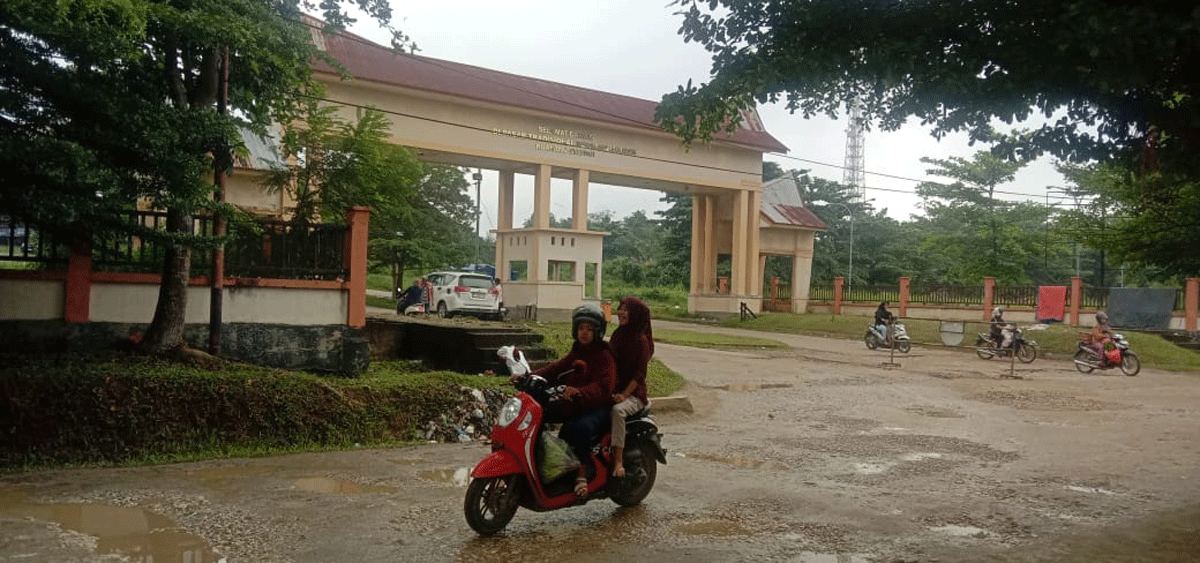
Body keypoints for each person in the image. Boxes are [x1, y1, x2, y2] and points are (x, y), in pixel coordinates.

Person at [513, 302, 616, 497]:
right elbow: (555, 368)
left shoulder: (604, 355)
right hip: (575, 404)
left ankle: (581, 474)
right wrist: (527, 377)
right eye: (581, 328)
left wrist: (579, 391)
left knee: (578, 428)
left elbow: (604, 387)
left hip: (597, 408)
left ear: (598, 331)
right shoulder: (577, 352)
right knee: (542, 414)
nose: (584, 333)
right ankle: (543, 463)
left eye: (589, 329)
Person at [607, 296, 653, 478]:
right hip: (616, 390)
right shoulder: (618, 334)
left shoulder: (641, 341)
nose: (621, 313)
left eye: (626, 310)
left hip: (635, 396)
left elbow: (640, 375)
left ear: (635, 314)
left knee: (618, 411)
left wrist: (624, 395)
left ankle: (618, 460)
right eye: (620, 308)